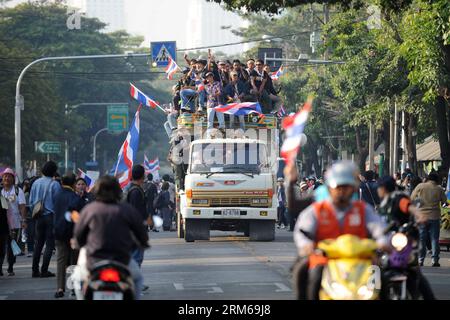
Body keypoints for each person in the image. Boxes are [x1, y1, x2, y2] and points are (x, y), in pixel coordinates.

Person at [292, 161, 387, 300]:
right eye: (338, 187)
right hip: (325, 258)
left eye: (346, 187)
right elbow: (302, 231)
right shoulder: (317, 210)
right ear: (330, 188)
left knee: (380, 275)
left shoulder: (363, 209)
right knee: (305, 271)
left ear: (353, 188)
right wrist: (306, 245)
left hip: (360, 258)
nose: (341, 191)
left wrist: (383, 241)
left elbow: (379, 227)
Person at [73, 176, 150, 299]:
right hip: (122, 260)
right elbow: (142, 234)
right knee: (138, 279)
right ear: (118, 191)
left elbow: (78, 235)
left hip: (93, 261)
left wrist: (78, 244)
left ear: (97, 190)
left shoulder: (89, 210)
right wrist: (142, 243)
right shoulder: (127, 210)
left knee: (77, 279)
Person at [376, 176, 435, 299]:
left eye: (379, 187)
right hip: (385, 244)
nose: (378, 190)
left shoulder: (398, 198)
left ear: (383, 188)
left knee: (414, 269)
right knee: (374, 268)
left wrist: (420, 216)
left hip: (402, 243)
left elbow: (409, 207)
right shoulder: (382, 205)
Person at [29, 161, 62, 278]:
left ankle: (34, 270)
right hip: (50, 217)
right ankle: (44, 270)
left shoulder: (35, 183)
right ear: (54, 171)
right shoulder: (55, 184)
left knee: (38, 244)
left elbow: (31, 202)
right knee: (49, 244)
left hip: (38, 216)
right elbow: (58, 203)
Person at [53, 173, 83, 298]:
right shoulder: (75, 197)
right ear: (73, 184)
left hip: (58, 232)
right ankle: (72, 287)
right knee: (74, 261)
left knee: (61, 260)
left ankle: (60, 288)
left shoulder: (56, 195)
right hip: (72, 233)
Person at [411, 172, 447, 267]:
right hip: (435, 217)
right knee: (434, 239)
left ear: (428, 178)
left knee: (422, 239)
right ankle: (435, 260)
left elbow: (412, 198)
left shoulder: (420, 186)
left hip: (422, 217)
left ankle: (420, 260)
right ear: (436, 180)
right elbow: (444, 201)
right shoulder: (439, 188)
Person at [0, 168, 27, 276]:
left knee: (12, 245)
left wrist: (24, 220)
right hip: (2, 223)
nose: (6, 178)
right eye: (5, 176)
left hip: (14, 223)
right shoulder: (0, 191)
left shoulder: (17, 191)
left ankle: (10, 266)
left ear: (13, 178)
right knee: (1, 246)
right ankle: (0, 266)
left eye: (9, 176)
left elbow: (22, 207)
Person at [125, 165, 151, 269]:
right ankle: (134, 282)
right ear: (142, 175)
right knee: (136, 258)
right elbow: (136, 212)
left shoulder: (132, 189)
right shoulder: (135, 192)